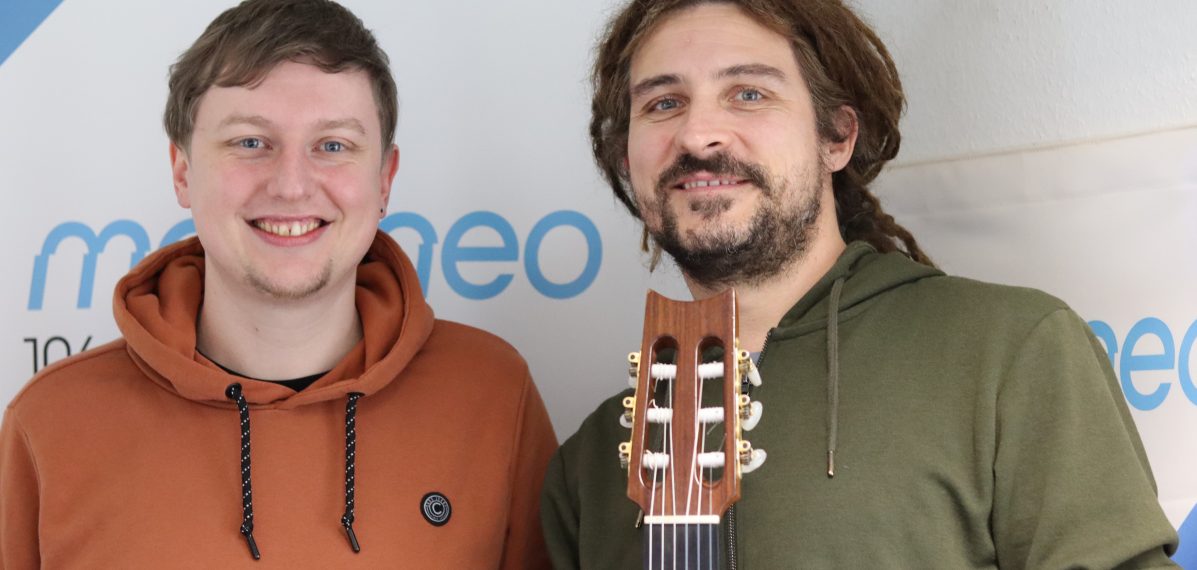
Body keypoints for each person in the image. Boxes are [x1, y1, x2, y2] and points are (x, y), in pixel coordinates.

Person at [541, 0, 1178, 567]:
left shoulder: (1010, 352)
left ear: (837, 137)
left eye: (749, 94)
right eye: (663, 103)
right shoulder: (593, 460)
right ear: (627, 158)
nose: (698, 133)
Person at [0, 0, 555, 567]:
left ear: (384, 180)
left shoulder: (490, 394)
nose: (292, 186)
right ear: (182, 171)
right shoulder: (51, 424)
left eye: (333, 145)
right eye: (250, 142)